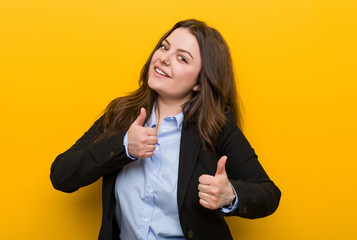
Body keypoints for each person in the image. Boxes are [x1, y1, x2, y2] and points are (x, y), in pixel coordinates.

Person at [50, 19, 281, 240]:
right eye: (164, 47)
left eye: (182, 58)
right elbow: (61, 175)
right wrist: (123, 147)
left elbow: (269, 194)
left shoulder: (217, 126)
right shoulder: (122, 114)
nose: (164, 59)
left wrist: (230, 195)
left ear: (199, 82)